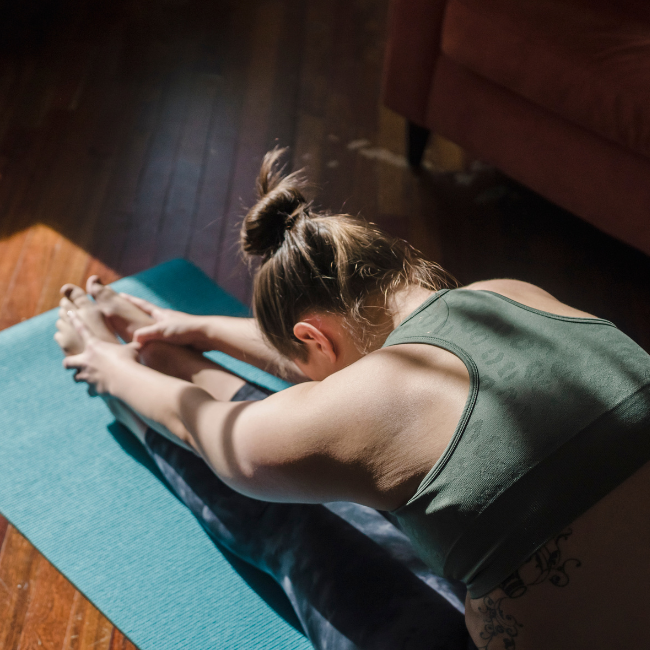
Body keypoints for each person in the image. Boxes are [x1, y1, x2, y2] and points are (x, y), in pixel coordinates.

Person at [56, 149, 650, 650]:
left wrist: (106, 366)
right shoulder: (511, 296)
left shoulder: (380, 403)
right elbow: (354, 361)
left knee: (298, 524)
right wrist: (202, 327)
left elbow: (222, 437)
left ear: (312, 337)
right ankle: (167, 351)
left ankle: (149, 371)